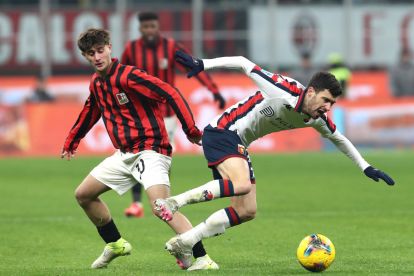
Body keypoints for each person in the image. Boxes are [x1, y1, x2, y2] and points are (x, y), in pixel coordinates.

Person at [154, 51, 395, 263]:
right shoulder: (284, 89)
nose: (328, 108)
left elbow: (340, 139)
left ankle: (186, 241)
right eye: (325, 100)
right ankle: (173, 202)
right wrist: (202, 64)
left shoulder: (316, 118)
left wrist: (366, 167)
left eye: (332, 103)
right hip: (223, 131)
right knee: (241, 184)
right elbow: (242, 62)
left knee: (246, 210)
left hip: (238, 143)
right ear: (310, 92)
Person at [61, 29, 218, 271]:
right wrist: (73, 139)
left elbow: (171, 93)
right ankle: (115, 243)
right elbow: (92, 110)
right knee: (83, 194)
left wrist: (190, 129)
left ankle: (203, 258)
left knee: (162, 207)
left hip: (151, 150)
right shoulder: (97, 82)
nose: (97, 57)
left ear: (109, 48)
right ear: (85, 56)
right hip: (124, 154)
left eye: (100, 50)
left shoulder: (129, 76)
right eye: (90, 53)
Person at [121, 12, 226, 219]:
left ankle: (163, 201)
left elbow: (194, 66)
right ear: (140, 29)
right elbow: (119, 74)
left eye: (153, 26)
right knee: (136, 153)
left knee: (161, 157)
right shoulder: (131, 49)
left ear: (158, 27)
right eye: (146, 27)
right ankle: (136, 203)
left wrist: (213, 90)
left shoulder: (170, 47)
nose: (150, 30)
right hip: (139, 114)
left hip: (166, 115)